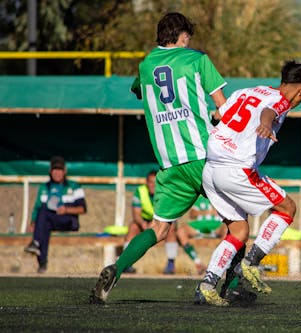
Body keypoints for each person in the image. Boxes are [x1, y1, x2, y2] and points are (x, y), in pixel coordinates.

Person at [90, 12, 227, 304]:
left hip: (169, 165)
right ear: (183, 36)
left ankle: (117, 268)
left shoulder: (146, 65)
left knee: (159, 229)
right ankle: (232, 285)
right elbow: (223, 107)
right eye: (188, 36)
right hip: (204, 157)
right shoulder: (197, 59)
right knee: (237, 221)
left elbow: (140, 91)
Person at [194, 60, 301, 306]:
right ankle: (251, 263)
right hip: (237, 170)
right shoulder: (280, 101)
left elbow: (221, 114)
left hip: (211, 169)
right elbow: (269, 112)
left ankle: (207, 285)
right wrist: (266, 123)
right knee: (287, 208)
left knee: (238, 231)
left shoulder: (247, 91)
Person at [24, 156, 87, 273]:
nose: (57, 173)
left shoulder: (74, 186)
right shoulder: (45, 187)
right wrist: (33, 223)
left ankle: (36, 243)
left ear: (64, 171)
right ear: (50, 171)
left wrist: (66, 210)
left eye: (60, 169)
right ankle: (42, 263)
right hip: (52, 220)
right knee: (45, 224)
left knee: (44, 216)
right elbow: (37, 207)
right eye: (55, 170)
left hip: (68, 221)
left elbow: (83, 209)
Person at [121, 170, 179, 275]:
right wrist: (144, 224)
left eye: (155, 182)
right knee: (133, 227)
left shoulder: (166, 192)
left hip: (163, 221)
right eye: (150, 182)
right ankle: (126, 263)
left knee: (171, 230)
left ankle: (171, 264)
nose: (153, 185)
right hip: (145, 220)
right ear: (146, 183)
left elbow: (172, 215)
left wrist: (158, 226)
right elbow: (136, 215)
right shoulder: (140, 191)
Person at [173, 195, 228, 275]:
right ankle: (197, 262)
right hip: (198, 225)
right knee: (180, 231)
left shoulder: (219, 195)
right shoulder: (199, 197)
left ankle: (216, 261)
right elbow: (192, 214)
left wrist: (203, 212)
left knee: (227, 230)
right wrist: (208, 212)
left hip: (216, 225)